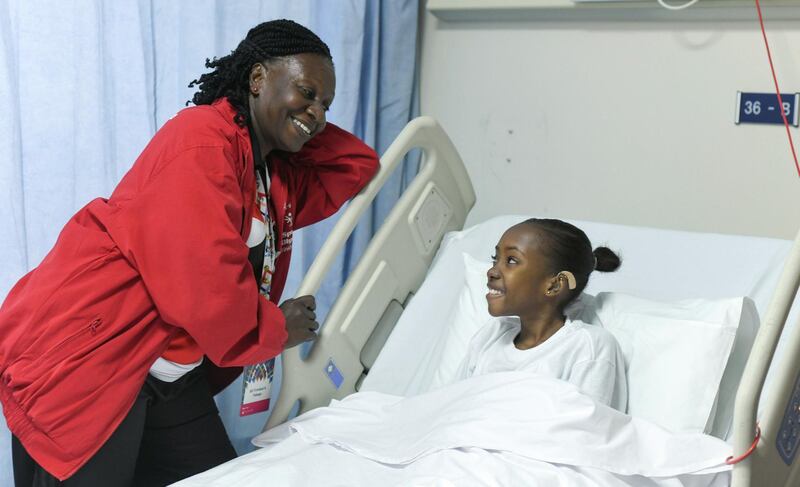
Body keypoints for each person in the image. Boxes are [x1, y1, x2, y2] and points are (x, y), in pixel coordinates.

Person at [0, 19, 379, 486]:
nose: (318, 113)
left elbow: (355, 165)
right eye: (306, 90)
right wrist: (278, 329)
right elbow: (206, 293)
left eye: (327, 103)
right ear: (256, 79)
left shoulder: (270, 173)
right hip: (95, 355)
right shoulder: (201, 142)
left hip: (168, 371)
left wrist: (297, 115)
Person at [454, 218, 628, 411]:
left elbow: (585, 432)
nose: (492, 271)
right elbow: (449, 406)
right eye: (495, 259)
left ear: (554, 285)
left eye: (511, 260)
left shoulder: (588, 346)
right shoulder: (491, 335)